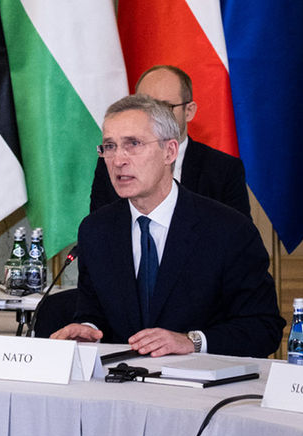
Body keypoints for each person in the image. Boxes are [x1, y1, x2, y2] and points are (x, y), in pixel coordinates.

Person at [52, 95, 284, 357]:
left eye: (133, 144)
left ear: (170, 151)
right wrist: (87, 329)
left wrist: (192, 342)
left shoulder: (228, 230)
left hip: (199, 389)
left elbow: (264, 328)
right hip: (122, 382)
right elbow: (94, 311)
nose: (118, 160)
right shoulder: (96, 230)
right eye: (110, 146)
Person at [90, 65, 249, 217]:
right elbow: (99, 234)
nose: (153, 117)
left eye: (165, 107)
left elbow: (237, 238)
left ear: (189, 111)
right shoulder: (112, 164)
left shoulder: (223, 170)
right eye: (144, 108)